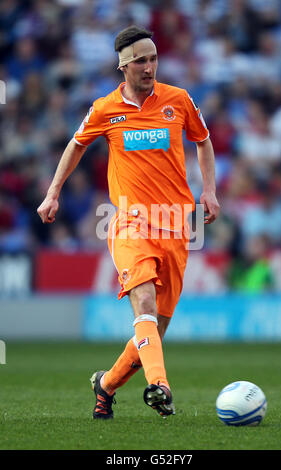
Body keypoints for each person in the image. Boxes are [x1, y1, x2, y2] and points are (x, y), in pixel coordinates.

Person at [37, 25, 220, 420]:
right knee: (146, 305)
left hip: (175, 225)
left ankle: (105, 385)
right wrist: (53, 191)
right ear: (123, 66)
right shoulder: (105, 109)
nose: (149, 66)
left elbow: (202, 140)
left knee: (154, 329)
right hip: (130, 224)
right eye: (140, 60)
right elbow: (76, 144)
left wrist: (209, 190)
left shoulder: (179, 100)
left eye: (153, 58)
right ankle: (161, 386)